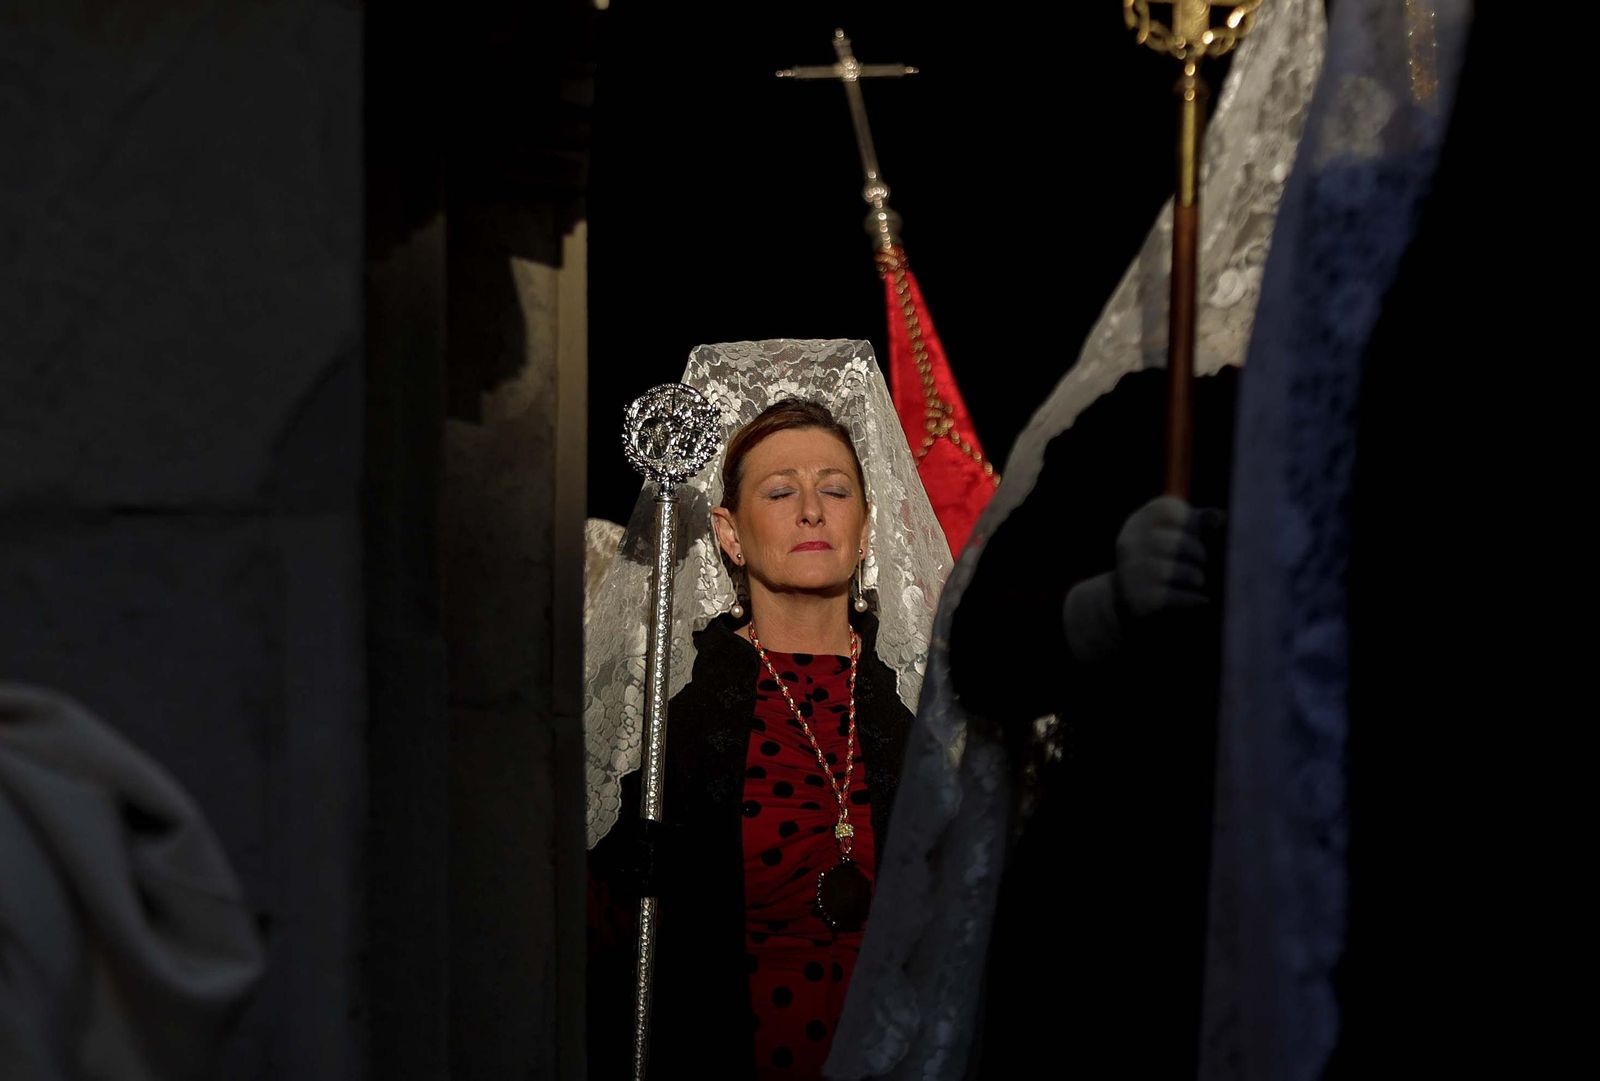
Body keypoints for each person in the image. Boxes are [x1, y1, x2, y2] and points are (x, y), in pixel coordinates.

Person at [584, 340, 950, 1080]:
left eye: (837, 489)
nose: (812, 509)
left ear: (867, 524)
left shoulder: (911, 709)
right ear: (728, 533)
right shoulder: (680, 721)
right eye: (780, 491)